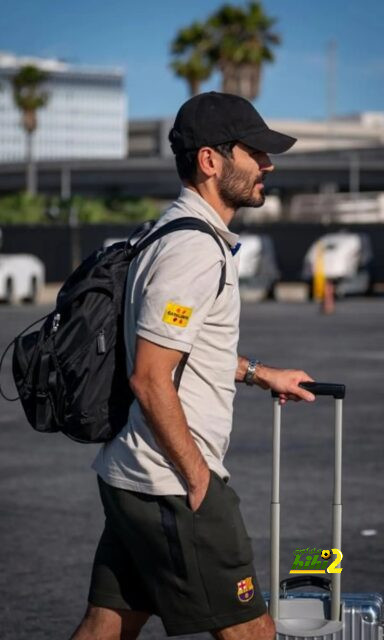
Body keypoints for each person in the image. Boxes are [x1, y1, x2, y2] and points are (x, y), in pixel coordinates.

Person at [70, 91, 315, 640]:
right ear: (211, 160)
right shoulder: (193, 250)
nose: (268, 165)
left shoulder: (173, 233)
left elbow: (183, 349)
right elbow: (151, 375)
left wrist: (258, 373)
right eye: (255, 153)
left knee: (106, 626)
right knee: (252, 632)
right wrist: (198, 476)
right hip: (171, 483)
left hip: (137, 478)